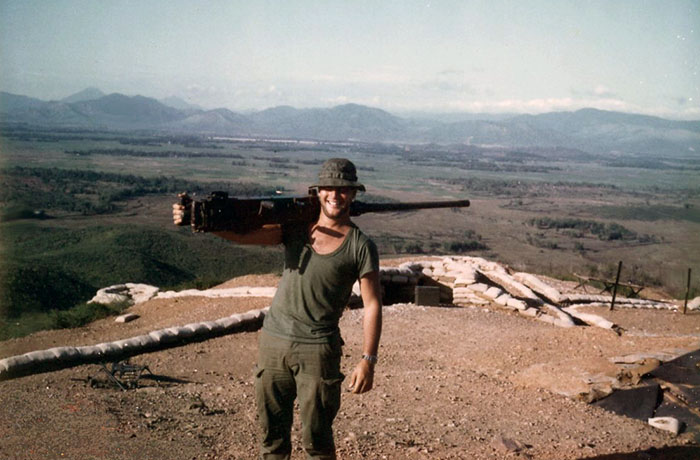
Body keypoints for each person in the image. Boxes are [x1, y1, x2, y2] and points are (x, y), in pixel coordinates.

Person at [173, 158, 382, 459]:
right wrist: (202, 221)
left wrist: (368, 360)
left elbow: (373, 304)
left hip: (318, 348)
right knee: (272, 438)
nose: (335, 196)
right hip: (273, 342)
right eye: (328, 188)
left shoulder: (360, 246)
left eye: (343, 190)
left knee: (317, 440)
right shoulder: (296, 230)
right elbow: (247, 235)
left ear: (353, 194)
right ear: (317, 192)